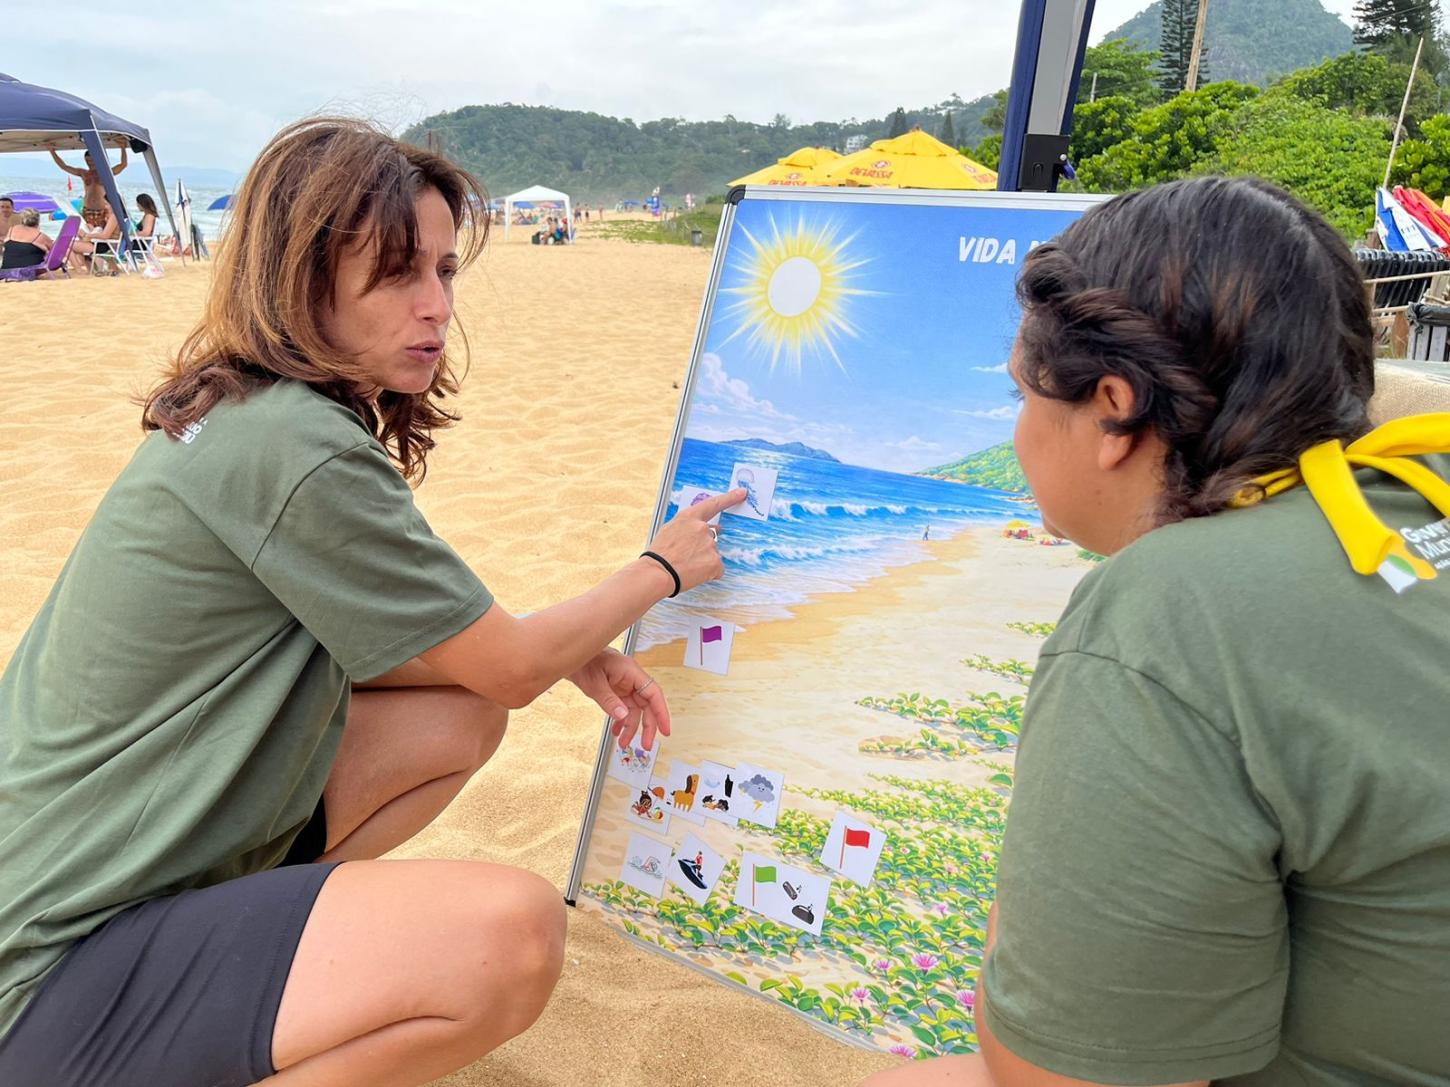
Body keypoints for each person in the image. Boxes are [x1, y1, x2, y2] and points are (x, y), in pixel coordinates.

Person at [0, 115, 746, 1087]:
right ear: (303, 282)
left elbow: (452, 661)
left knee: (456, 716)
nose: (435, 306)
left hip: (82, 872)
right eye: (396, 275)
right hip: (51, 966)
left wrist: (555, 650)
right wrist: (661, 568)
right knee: (513, 935)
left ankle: (239, 975)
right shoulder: (296, 449)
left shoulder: (247, 410)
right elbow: (509, 666)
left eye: (444, 270)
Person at [864, 176, 1450, 1086]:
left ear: (1115, 408)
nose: (1018, 431)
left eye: (1023, 393)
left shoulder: (1172, 611)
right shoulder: (1418, 488)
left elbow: (1056, 1072)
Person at [48, 144, 128, 228]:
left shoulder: (105, 172)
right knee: (88, 232)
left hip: (102, 210)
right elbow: (64, 167)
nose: (90, 163)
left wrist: (123, 148)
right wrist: (52, 152)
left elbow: (123, 165)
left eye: (91, 160)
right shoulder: (83, 173)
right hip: (87, 209)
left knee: (102, 232)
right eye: (87, 161)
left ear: (96, 159)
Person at [68, 197, 122, 274]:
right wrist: (92, 230)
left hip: (105, 246)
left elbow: (105, 236)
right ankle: (85, 267)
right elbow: (106, 233)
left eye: (106, 204)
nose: (104, 206)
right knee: (75, 243)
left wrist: (87, 234)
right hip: (104, 244)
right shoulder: (113, 216)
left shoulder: (114, 217)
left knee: (68, 244)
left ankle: (79, 268)